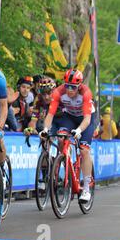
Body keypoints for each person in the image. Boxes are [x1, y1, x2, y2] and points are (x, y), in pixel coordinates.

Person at [39, 69, 95, 203]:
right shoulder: (59, 91)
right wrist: (45, 129)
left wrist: (79, 130)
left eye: (73, 87)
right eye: (67, 86)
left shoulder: (85, 93)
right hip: (69, 117)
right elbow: (50, 114)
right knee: (60, 137)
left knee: (83, 149)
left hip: (85, 119)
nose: (70, 90)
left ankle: (86, 187)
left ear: (79, 86)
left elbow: (87, 119)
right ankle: (64, 159)